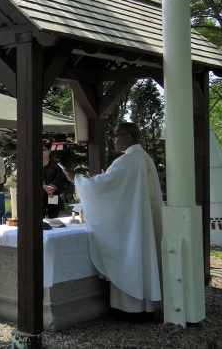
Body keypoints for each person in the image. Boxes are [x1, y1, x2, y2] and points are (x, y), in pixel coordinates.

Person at [64, 122, 163, 321]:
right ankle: (147, 306)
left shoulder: (127, 161)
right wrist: (101, 179)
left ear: (129, 137)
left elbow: (105, 188)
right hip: (141, 221)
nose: (114, 139)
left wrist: (77, 179)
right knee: (143, 258)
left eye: (117, 135)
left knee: (130, 257)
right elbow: (118, 188)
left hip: (131, 226)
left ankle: (132, 310)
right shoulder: (144, 159)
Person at [42, 139, 68, 218]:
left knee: (53, 217)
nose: (41, 152)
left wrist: (52, 187)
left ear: (49, 150)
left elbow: (60, 176)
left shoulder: (56, 162)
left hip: (53, 194)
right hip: (39, 195)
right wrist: (44, 186)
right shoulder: (33, 163)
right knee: (39, 217)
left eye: (43, 149)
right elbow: (33, 177)